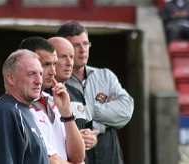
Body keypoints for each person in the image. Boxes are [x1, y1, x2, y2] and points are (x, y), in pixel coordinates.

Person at [56, 22, 134, 164]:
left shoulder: (106, 76)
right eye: (76, 45)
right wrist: (106, 121)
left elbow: (126, 111)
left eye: (86, 44)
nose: (83, 50)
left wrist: (86, 112)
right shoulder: (57, 83)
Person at [18, 37, 85, 163]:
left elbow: (78, 156)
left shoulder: (53, 100)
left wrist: (67, 114)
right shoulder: (19, 106)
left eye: (54, 64)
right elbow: (51, 160)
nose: (53, 72)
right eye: (46, 65)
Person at [0, 49, 49, 164]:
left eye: (40, 74)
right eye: (31, 74)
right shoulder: (5, 113)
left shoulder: (22, 110)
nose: (39, 81)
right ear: (11, 79)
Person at [46, 37, 100, 164]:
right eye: (63, 57)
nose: (69, 63)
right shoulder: (40, 95)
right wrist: (71, 140)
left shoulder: (76, 92)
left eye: (71, 57)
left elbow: (88, 128)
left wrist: (91, 139)